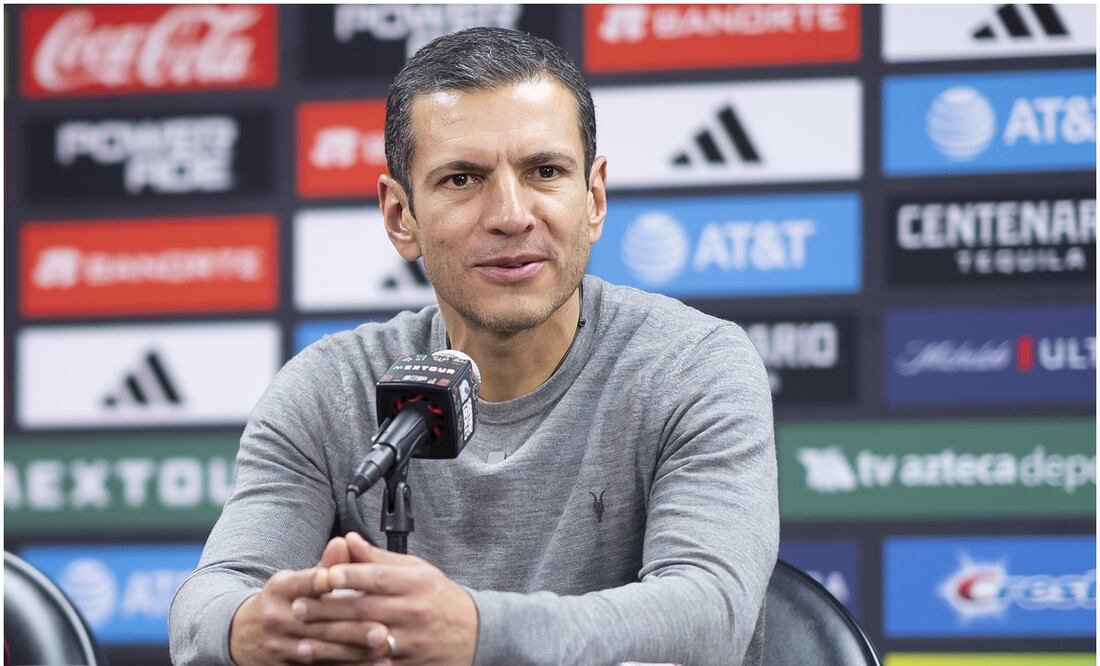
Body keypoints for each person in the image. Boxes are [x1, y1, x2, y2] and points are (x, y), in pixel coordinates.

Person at [169, 27, 777, 666]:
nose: (511, 214)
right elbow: (209, 603)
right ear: (401, 217)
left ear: (593, 199)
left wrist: (478, 631)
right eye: (463, 179)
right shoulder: (330, 388)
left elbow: (712, 614)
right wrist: (263, 624)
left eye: (545, 172)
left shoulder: (694, 364)